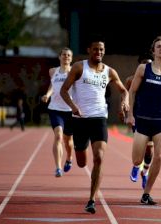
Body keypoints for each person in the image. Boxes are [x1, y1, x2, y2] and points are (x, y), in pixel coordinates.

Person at [60, 35, 129, 214]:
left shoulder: (109, 71)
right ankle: (77, 154)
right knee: (82, 162)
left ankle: (91, 200)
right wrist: (73, 107)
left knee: (98, 157)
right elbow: (63, 90)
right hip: (80, 119)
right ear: (89, 50)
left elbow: (124, 90)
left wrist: (124, 104)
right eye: (95, 49)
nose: (99, 52)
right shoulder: (78, 67)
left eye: (101, 49)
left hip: (99, 118)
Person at [126, 36, 161, 205]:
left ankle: (146, 193)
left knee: (160, 157)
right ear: (153, 50)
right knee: (137, 159)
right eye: (158, 46)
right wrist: (130, 114)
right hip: (142, 119)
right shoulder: (144, 69)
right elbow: (132, 92)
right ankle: (137, 167)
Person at [122, 53, 154, 190]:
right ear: (139, 65)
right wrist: (125, 110)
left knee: (150, 149)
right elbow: (126, 95)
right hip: (138, 116)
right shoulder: (131, 79)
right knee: (140, 144)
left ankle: (145, 172)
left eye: (150, 63)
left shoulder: (156, 78)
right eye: (145, 63)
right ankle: (136, 166)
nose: (147, 66)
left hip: (154, 116)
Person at [41, 47, 74, 178]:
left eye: (68, 55)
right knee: (58, 136)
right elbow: (52, 85)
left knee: (68, 141)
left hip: (70, 110)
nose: (66, 57)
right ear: (60, 57)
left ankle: (69, 157)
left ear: (71, 59)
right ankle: (58, 167)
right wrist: (47, 95)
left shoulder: (75, 72)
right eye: (64, 55)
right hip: (55, 109)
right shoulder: (53, 71)